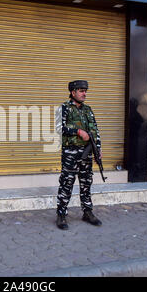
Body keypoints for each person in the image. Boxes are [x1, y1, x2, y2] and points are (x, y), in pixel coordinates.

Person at [56, 80, 103, 230]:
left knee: (86, 182)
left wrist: (98, 149)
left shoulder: (88, 110)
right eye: (81, 91)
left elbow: (95, 129)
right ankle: (61, 214)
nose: (84, 94)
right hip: (71, 152)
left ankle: (87, 212)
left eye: (85, 91)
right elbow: (59, 128)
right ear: (73, 92)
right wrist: (77, 131)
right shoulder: (64, 108)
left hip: (86, 152)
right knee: (67, 183)